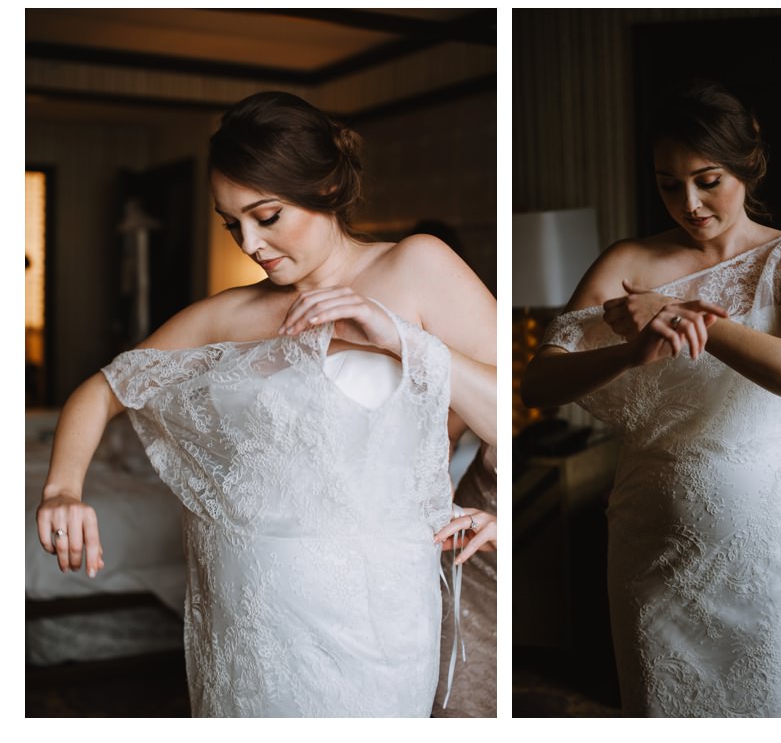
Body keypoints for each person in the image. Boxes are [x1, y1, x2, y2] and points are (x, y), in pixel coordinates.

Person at [32, 91, 499, 717]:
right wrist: (62, 488)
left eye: (267, 216)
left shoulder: (417, 267)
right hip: (238, 615)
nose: (250, 242)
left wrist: (398, 341)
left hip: (370, 618)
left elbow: (509, 413)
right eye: (232, 224)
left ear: (328, 189)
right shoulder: (229, 313)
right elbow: (102, 389)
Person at [521, 81, 781, 717]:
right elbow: (538, 383)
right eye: (669, 184)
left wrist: (692, 316)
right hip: (652, 525)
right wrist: (630, 351)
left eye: (707, 180)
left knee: (774, 696)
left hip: (774, 526)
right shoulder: (628, 260)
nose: (690, 203)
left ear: (747, 168)